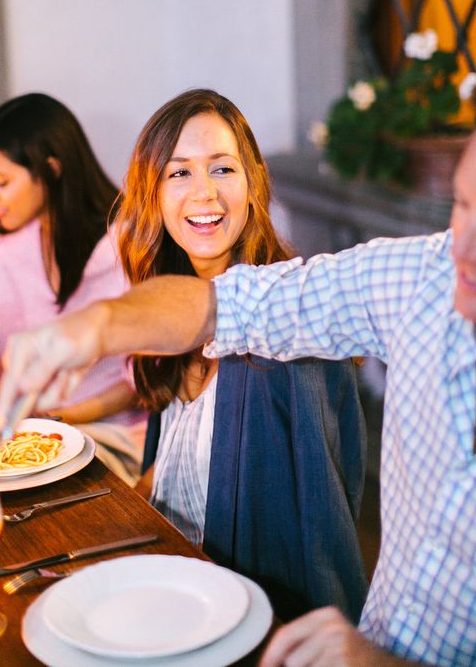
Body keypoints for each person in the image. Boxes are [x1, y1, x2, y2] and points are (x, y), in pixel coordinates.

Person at [0, 63, 476, 666]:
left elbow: (313, 554)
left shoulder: (291, 366)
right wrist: (94, 327)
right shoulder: (422, 277)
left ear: (255, 181)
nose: (464, 248)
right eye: (459, 203)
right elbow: (225, 308)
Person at [111, 88, 367, 620]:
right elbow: (173, 469)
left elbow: (321, 540)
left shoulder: (290, 340)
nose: (205, 194)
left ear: (252, 184)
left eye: (222, 169)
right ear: (153, 194)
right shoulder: (171, 306)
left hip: (237, 620)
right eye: (179, 173)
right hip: (163, 585)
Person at [0, 92, 146, 483]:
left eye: (0, 181)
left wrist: (52, 419)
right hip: (16, 427)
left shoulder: (129, 244)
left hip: (108, 433)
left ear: (51, 169)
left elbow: (140, 378)